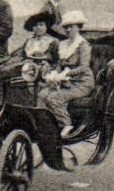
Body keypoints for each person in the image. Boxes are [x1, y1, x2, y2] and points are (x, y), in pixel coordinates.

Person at [38, 10, 95, 146]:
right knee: (41, 95)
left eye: (71, 26)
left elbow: (84, 68)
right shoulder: (64, 44)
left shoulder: (83, 45)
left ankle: (66, 124)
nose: (68, 30)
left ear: (78, 27)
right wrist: (54, 73)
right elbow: (59, 64)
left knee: (55, 97)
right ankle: (46, 125)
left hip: (82, 82)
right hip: (65, 81)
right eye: (66, 27)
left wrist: (67, 74)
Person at [20, 11, 59, 82]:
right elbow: (23, 56)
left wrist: (50, 69)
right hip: (28, 70)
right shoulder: (29, 41)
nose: (38, 28)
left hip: (45, 71)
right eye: (35, 25)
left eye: (41, 25)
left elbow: (57, 61)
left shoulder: (53, 41)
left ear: (46, 27)